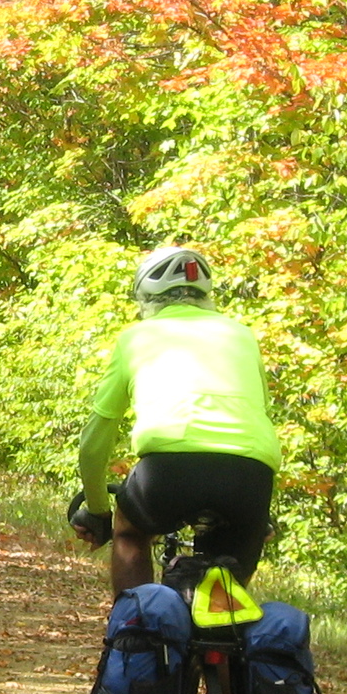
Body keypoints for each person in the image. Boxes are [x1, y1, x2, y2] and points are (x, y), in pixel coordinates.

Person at [70, 246, 280, 596]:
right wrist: (258, 514)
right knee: (228, 591)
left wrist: (99, 512)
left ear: (145, 297)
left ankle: (135, 628)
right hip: (250, 479)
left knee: (130, 533)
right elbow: (259, 419)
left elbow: (93, 446)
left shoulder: (136, 337)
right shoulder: (243, 335)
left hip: (166, 475)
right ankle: (229, 644)